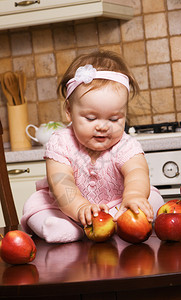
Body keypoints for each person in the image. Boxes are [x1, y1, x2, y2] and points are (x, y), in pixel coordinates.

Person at [21, 50, 164, 243]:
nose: (103, 126)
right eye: (91, 118)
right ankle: (72, 229)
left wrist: (134, 195)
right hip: (66, 208)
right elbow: (61, 183)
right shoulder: (61, 142)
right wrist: (80, 208)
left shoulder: (125, 144)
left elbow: (137, 171)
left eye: (114, 118)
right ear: (69, 112)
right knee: (36, 207)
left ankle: (123, 220)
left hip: (116, 205)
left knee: (153, 199)